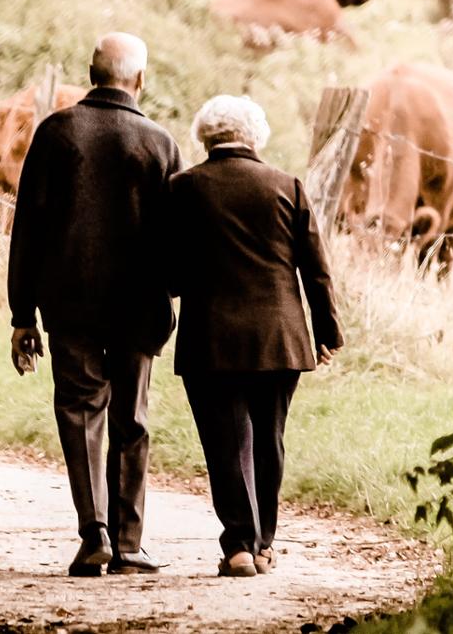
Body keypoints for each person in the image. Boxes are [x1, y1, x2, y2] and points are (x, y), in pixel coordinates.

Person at [7, 32, 183, 577]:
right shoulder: (159, 143)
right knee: (131, 417)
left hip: (70, 303)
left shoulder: (56, 133)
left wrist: (22, 315)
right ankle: (130, 544)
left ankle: (95, 535)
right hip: (139, 306)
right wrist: (172, 294)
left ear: (90, 72)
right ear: (141, 80)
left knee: (81, 414)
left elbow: (27, 230)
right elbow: (176, 238)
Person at [166, 95, 342, 578]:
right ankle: (264, 543)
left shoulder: (183, 188)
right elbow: (316, 269)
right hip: (280, 337)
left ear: (205, 135)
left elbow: (171, 273)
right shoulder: (287, 186)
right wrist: (326, 331)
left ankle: (239, 546)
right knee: (269, 439)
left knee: (226, 442)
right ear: (255, 136)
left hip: (210, 339)